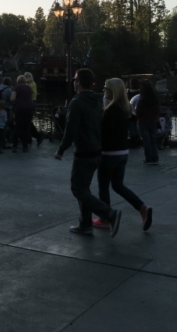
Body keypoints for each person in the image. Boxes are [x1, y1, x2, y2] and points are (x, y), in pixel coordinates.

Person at [54, 68, 122, 238]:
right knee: (84, 189)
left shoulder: (76, 102)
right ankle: (85, 224)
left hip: (83, 151)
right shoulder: (97, 100)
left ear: (78, 83)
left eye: (75, 79)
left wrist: (61, 150)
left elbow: (70, 130)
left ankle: (109, 213)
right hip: (96, 150)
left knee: (78, 189)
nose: (73, 82)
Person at [95, 78, 153, 232]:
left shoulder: (111, 110)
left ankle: (105, 217)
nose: (103, 90)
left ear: (112, 90)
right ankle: (142, 207)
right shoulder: (125, 108)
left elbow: (105, 133)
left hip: (109, 152)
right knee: (118, 185)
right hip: (123, 152)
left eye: (106, 88)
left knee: (103, 186)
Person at [135, 80, 160, 164]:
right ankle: (155, 158)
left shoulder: (142, 100)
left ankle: (148, 158)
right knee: (153, 140)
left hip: (143, 121)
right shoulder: (155, 99)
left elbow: (138, 111)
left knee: (146, 141)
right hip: (153, 121)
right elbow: (157, 110)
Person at [10, 75, 35, 153]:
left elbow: (12, 98)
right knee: (26, 127)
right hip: (29, 108)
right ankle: (25, 147)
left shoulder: (16, 88)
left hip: (19, 109)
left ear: (18, 80)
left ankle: (14, 146)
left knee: (18, 127)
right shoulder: (29, 88)